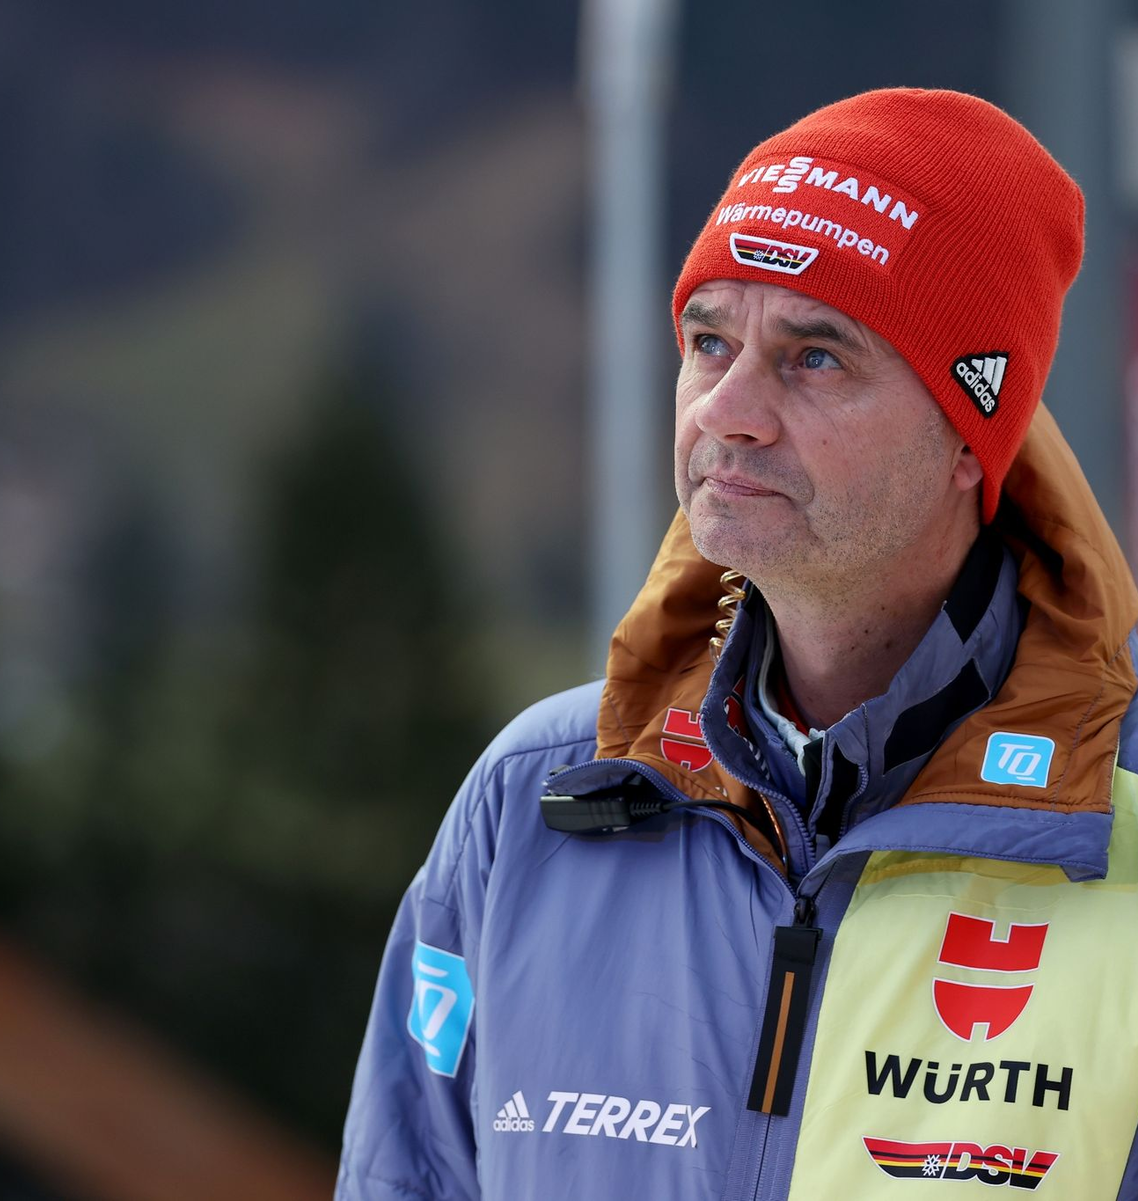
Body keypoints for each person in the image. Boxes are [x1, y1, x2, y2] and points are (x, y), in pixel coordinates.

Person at [336, 88, 1138, 1200]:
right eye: (709, 341)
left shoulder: (1119, 822)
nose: (728, 408)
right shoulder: (536, 800)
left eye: (816, 358)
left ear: (972, 436)